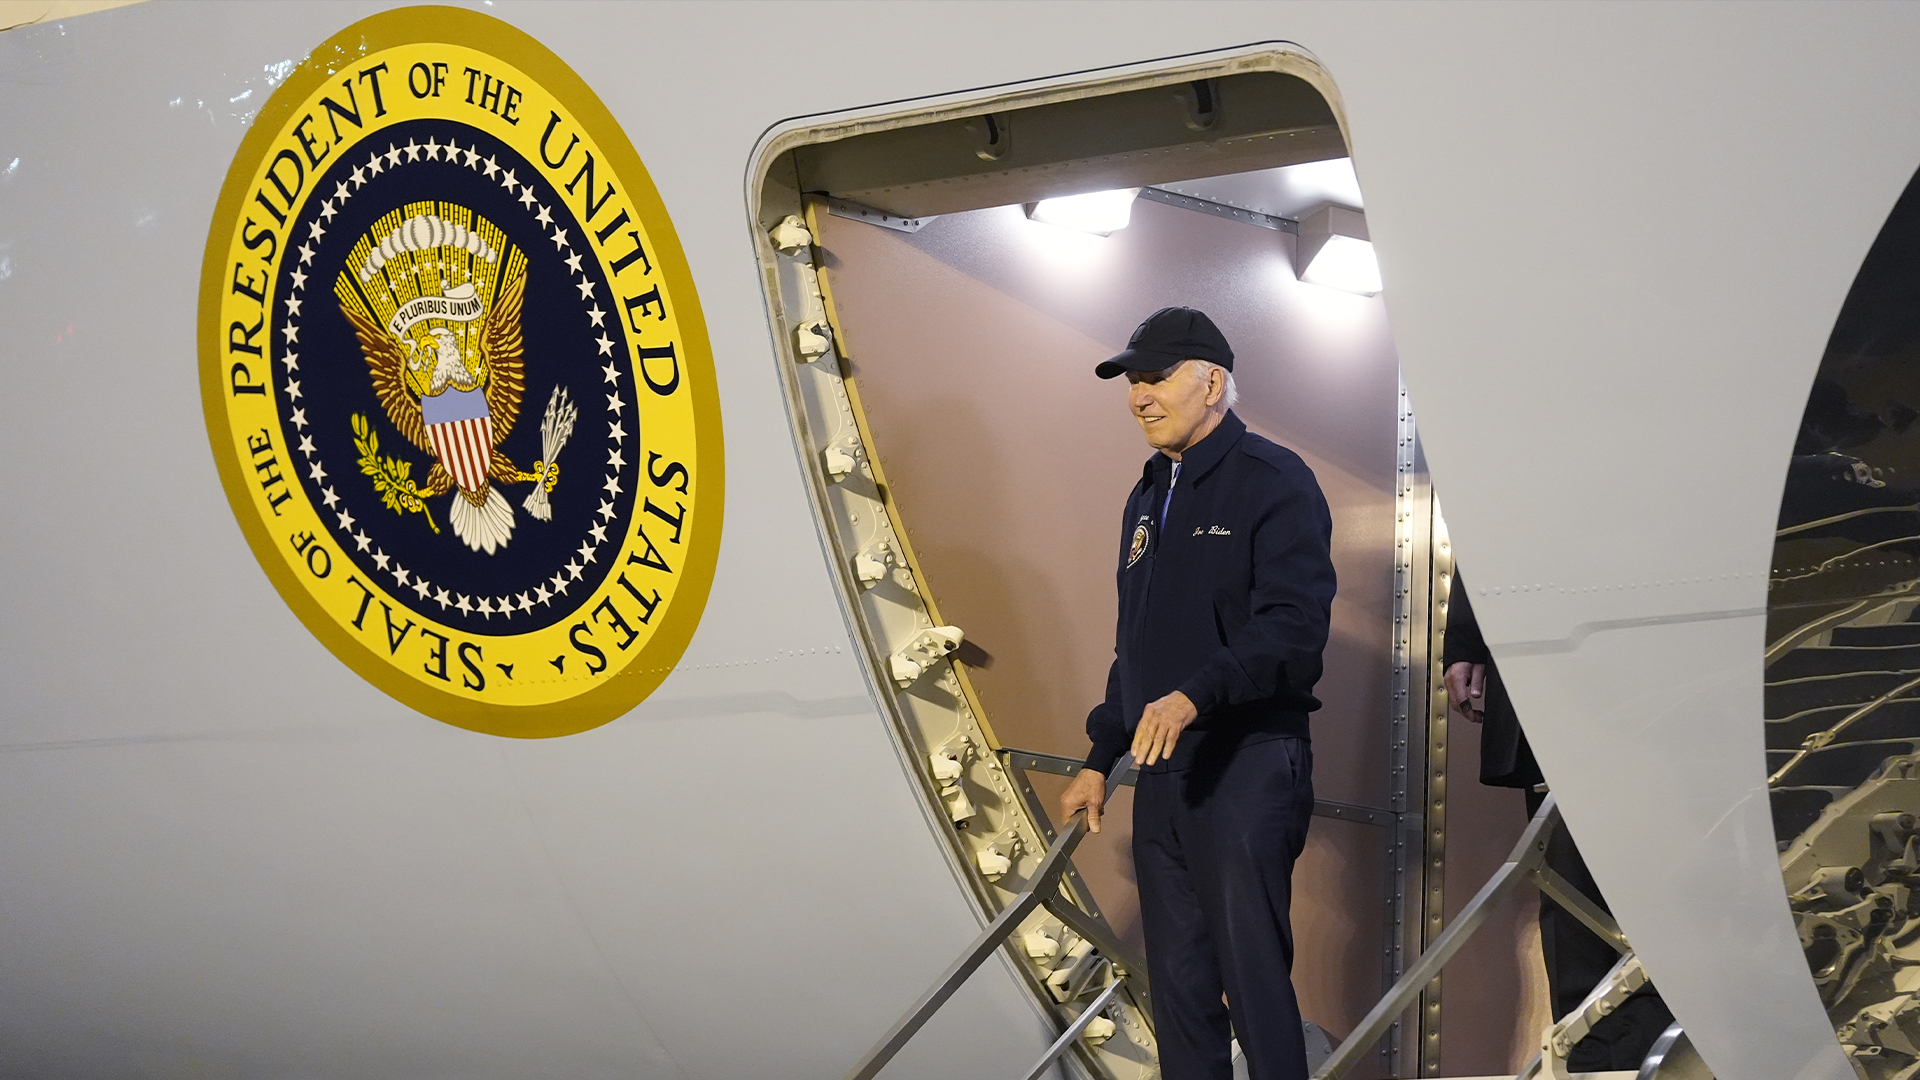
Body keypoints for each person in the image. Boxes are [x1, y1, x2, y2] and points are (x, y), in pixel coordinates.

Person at [1058, 307, 1336, 1080]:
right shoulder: (1147, 495)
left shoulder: (1274, 480)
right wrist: (1099, 754)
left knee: (1249, 977)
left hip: (1246, 762)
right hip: (1162, 773)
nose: (1138, 396)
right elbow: (1136, 645)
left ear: (1212, 382)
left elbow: (1292, 629)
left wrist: (1195, 694)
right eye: (1131, 381)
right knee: (1178, 984)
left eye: (1154, 378)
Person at [1443, 576, 1673, 1071]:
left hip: (1663, 652)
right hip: (1553, 662)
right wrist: (1465, 636)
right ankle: (1598, 1057)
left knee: (1663, 881)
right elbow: (1492, 506)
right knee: (1572, 888)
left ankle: (1651, 1052)